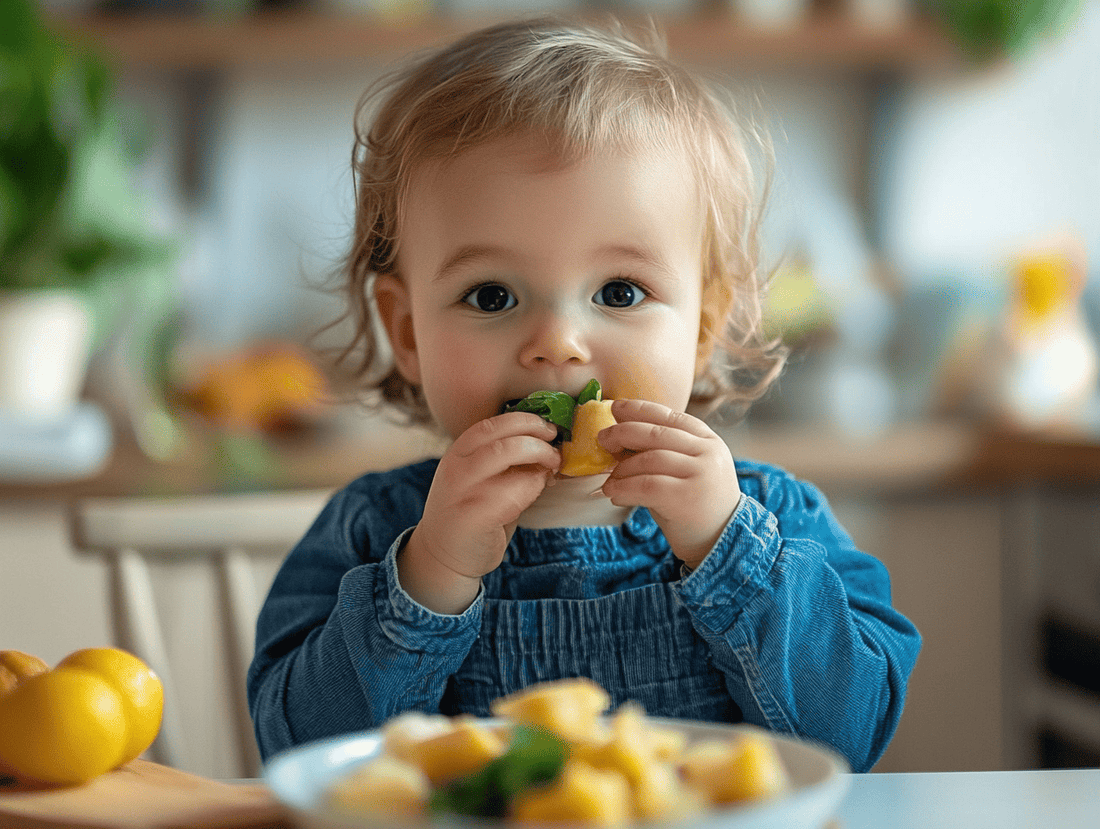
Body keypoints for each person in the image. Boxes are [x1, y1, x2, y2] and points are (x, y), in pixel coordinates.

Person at [247, 16, 920, 774]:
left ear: (705, 325)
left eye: (620, 291)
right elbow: (298, 756)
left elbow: (850, 737)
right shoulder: (372, 532)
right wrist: (428, 578)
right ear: (407, 332)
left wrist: (729, 554)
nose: (558, 341)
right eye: (492, 295)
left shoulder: (774, 520)